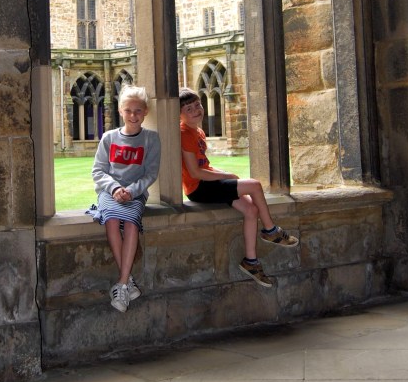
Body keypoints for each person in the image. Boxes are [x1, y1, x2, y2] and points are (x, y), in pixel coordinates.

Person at [179, 87, 298, 288]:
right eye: (189, 109)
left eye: (198, 105)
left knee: (251, 209)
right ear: (179, 115)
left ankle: (251, 262)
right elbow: (195, 172)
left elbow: (205, 165)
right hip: (199, 188)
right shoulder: (184, 133)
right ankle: (270, 230)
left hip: (208, 183)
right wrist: (225, 176)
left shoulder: (197, 131)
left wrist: (223, 173)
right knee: (255, 185)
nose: (196, 110)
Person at [90, 85, 161, 313]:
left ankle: (122, 283)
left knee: (131, 223)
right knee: (111, 219)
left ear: (145, 111)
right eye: (128, 110)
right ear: (120, 110)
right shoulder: (109, 138)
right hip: (109, 192)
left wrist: (131, 191)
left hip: (135, 193)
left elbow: (150, 173)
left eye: (138, 110)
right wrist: (114, 189)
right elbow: (98, 171)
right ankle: (126, 281)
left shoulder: (151, 139)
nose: (133, 115)